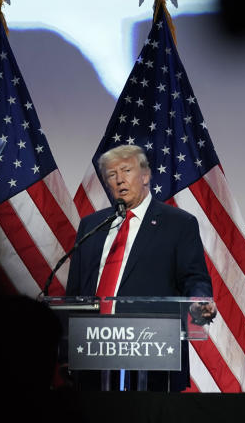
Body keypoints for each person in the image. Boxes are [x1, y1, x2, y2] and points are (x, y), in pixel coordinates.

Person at [65, 145, 216, 391]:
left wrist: (199, 300)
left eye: (126, 170)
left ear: (145, 176)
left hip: (151, 351)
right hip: (92, 350)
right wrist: (66, 348)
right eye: (112, 174)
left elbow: (193, 276)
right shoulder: (91, 225)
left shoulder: (178, 223)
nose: (119, 180)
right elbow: (75, 290)